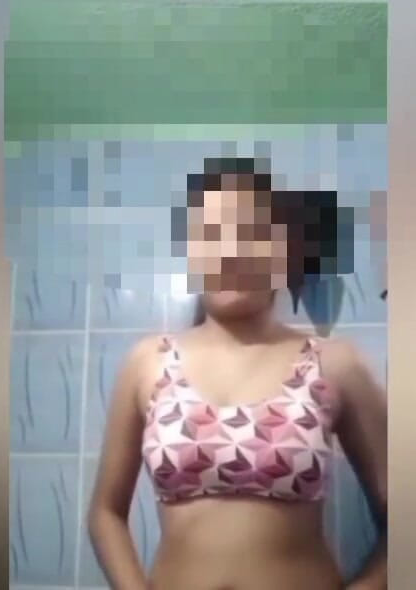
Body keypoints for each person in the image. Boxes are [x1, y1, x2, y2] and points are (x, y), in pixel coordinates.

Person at [87, 158, 387, 590]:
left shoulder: (335, 364)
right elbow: (105, 513)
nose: (230, 251)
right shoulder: (148, 363)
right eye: (211, 235)